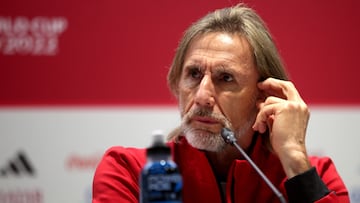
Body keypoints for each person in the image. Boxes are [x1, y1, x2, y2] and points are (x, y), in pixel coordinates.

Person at [92, 4, 349, 203]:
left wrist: (294, 159)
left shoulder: (315, 174)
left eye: (225, 78)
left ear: (265, 95)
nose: (202, 96)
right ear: (176, 81)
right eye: (193, 74)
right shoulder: (130, 172)